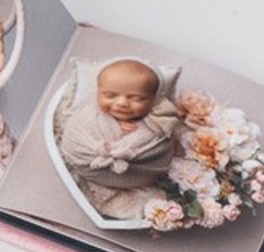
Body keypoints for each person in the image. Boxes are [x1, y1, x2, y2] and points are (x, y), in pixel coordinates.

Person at [57, 58, 182, 219]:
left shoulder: (160, 120)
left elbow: (162, 144)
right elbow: (75, 132)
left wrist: (142, 128)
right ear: (98, 93)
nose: (122, 103)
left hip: (138, 174)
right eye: (110, 95)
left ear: (153, 100)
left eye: (136, 98)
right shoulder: (88, 114)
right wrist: (112, 125)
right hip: (90, 166)